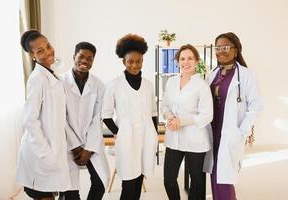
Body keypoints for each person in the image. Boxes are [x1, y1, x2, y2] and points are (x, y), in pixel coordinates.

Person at [203, 32, 262, 200]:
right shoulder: (211, 74)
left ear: (236, 51)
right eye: (218, 48)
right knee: (215, 173)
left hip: (230, 131)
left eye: (226, 47)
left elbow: (256, 106)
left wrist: (242, 130)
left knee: (225, 175)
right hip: (213, 130)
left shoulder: (246, 75)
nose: (221, 51)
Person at [101, 34, 158, 200]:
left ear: (142, 61)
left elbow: (153, 113)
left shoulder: (148, 85)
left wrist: (154, 135)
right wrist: (119, 133)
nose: (134, 65)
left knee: (140, 178)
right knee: (128, 182)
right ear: (123, 62)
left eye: (138, 61)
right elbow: (106, 115)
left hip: (146, 137)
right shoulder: (114, 85)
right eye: (130, 61)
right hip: (126, 138)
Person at [16, 30, 71, 200]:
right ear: (32, 56)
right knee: (44, 195)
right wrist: (45, 154)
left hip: (51, 150)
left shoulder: (50, 75)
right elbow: (30, 120)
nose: (48, 52)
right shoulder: (37, 78)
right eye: (40, 51)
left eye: (48, 46)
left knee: (51, 194)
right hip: (39, 154)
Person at [162, 44, 213, 200]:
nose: (186, 62)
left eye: (190, 58)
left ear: (196, 61)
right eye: (182, 58)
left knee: (197, 183)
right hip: (174, 138)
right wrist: (170, 117)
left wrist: (182, 121)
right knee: (169, 179)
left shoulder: (202, 85)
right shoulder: (171, 82)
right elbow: (164, 106)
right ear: (178, 62)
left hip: (195, 139)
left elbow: (207, 115)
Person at [59, 42, 110, 200]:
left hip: (91, 142)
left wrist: (88, 148)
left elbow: (97, 119)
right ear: (73, 56)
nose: (85, 61)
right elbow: (60, 118)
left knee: (101, 181)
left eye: (90, 58)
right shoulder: (59, 82)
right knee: (70, 191)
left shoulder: (99, 86)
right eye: (81, 56)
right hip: (67, 143)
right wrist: (75, 146)